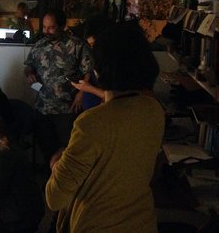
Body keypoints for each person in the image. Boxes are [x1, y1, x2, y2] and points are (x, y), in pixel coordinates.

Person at [45, 21, 165, 233]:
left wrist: (57, 164)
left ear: (100, 68)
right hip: (143, 223)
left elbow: (55, 198)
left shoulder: (92, 123)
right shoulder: (154, 111)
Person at [24, 8, 92, 168]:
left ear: (62, 26)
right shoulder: (39, 45)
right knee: (47, 152)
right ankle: (50, 187)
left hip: (68, 109)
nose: (47, 31)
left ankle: (64, 188)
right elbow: (28, 66)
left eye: (51, 27)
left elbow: (88, 71)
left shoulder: (76, 45)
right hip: (43, 108)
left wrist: (82, 94)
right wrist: (29, 74)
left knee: (67, 154)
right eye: (45, 27)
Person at [70, 14, 109, 110]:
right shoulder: (97, 58)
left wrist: (89, 88)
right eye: (90, 45)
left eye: (93, 45)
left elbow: (114, 97)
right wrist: (82, 91)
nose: (92, 49)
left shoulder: (114, 63)